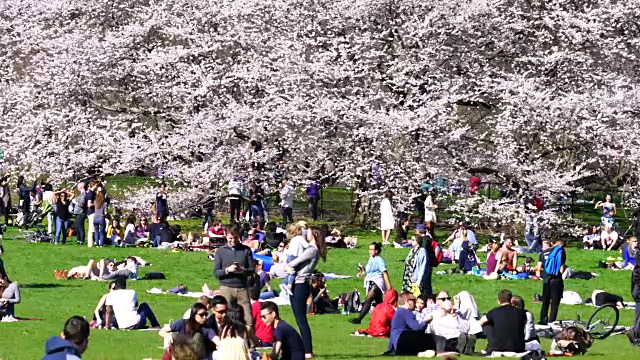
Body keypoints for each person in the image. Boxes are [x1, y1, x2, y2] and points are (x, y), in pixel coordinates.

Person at [286, 226, 327, 358]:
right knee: (299, 319)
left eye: (308, 231)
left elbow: (294, 262)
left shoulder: (312, 251)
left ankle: (308, 350)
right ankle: (304, 349)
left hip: (300, 285)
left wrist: (287, 266)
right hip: (296, 284)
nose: (305, 233)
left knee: (301, 320)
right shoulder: (310, 249)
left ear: (314, 235)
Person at [213, 226, 254, 329]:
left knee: (248, 318)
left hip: (242, 288)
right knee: (225, 318)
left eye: (235, 237)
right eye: (230, 238)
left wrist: (242, 270)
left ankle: (249, 342)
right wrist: (227, 270)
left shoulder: (246, 250)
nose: (233, 240)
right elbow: (216, 273)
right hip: (226, 287)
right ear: (226, 236)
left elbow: (252, 270)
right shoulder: (220, 251)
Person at [350, 242, 392, 324]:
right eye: (369, 249)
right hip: (371, 281)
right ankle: (388, 320)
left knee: (368, 300)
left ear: (376, 251)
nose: (370, 251)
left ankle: (359, 319)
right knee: (379, 303)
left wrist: (389, 287)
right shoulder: (371, 258)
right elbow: (369, 270)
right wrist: (361, 271)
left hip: (377, 282)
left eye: (371, 249)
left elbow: (384, 273)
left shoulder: (379, 260)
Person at [384, 292, 434, 356]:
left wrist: (390, 349)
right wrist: (426, 321)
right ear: (408, 302)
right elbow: (417, 328)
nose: (415, 303)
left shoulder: (398, 311)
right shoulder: (406, 312)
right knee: (430, 338)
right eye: (414, 300)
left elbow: (393, 331)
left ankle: (419, 353)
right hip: (403, 341)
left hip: (397, 345)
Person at [479, 289, 526, 354]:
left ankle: (491, 346)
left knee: (487, 324)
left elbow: (480, 322)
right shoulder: (521, 312)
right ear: (510, 300)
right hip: (519, 347)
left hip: (499, 347)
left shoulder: (494, 312)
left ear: (498, 301)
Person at [428, 290, 475, 355]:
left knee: (467, 337)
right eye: (443, 299)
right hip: (447, 339)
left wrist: (454, 316)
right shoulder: (433, 315)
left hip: (460, 336)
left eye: (448, 298)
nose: (447, 301)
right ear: (437, 301)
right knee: (453, 341)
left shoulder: (457, 312)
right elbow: (431, 332)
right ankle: (463, 349)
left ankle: (466, 348)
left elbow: (466, 329)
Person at [539, 240, 566, 325]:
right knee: (555, 303)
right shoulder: (561, 251)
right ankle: (552, 320)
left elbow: (539, 267)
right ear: (561, 245)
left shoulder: (543, 253)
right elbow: (561, 269)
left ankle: (543, 320)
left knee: (545, 301)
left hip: (546, 280)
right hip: (556, 280)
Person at [632, 251, 640, 325]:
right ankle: (635, 333)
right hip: (638, 294)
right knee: (637, 318)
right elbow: (637, 281)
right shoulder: (637, 270)